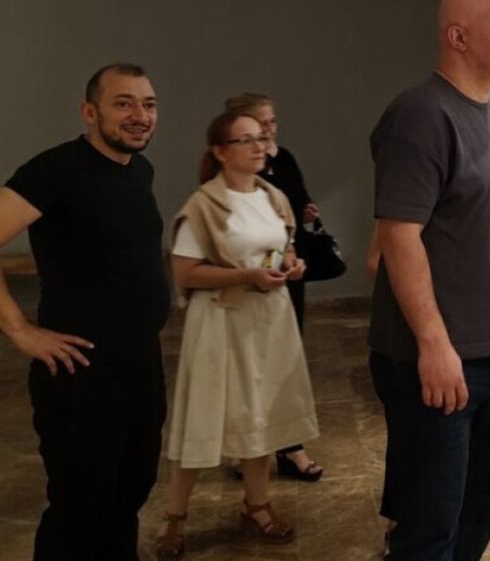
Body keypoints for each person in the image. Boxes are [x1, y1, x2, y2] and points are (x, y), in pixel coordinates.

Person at [369, 0, 490, 560]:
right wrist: (434, 344)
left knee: (483, 501)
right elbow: (399, 235)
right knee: (430, 522)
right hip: (440, 358)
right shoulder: (419, 115)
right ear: (458, 37)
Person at [0, 63, 169, 560]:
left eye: (149, 104)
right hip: (80, 375)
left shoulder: (139, 171)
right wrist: (20, 330)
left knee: (129, 495)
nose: (140, 115)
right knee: (81, 511)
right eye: (124, 103)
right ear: (89, 112)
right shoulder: (54, 171)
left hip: (140, 367)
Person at [154, 111, 319, 558]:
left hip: (269, 322)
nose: (258, 147)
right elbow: (185, 273)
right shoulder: (203, 206)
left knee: (260, 413)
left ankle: (257, 504)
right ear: (221, 152)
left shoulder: (272, 196)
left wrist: (292, 265)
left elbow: (284, 247)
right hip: (221, 323)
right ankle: (174, 517)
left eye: (261, 138)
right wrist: (247, 275)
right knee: (203, 415)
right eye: (245, 140)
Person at [224, 92, 324, 481]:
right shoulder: (228, 175)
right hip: (247, 281)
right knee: (251, 368)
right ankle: (248, 449)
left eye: (272, 122)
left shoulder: (285, 160)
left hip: (284, 276)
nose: (268, 131)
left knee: (285, 363)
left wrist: (304, 218)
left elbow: (292, 209)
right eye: (259, 123)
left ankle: (290, 447)